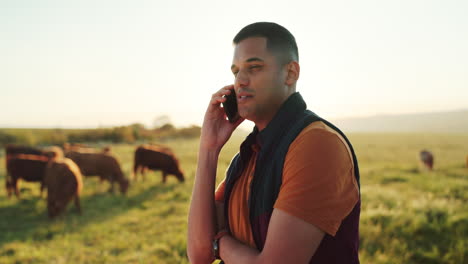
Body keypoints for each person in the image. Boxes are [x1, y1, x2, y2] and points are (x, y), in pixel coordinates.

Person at [187, 22, 361, 264]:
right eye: (235, 71)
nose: (240, 81)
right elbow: (198, 253)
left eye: (254, 67)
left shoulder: (316, 143)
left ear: (290, 73)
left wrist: (220, 244)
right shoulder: (249, 155)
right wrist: (209, 149)